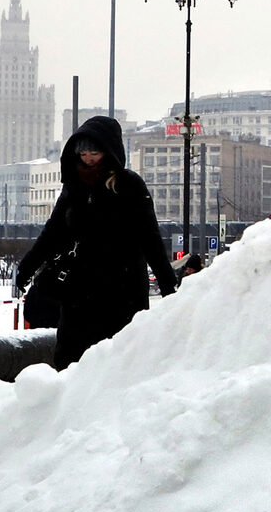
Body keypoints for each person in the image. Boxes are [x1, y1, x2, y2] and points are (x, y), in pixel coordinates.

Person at [16, 116, 176, 369]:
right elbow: (53, 232)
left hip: (122, 290)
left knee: (116, 364)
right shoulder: (74, 187)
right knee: (70, 362)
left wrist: (168, 287)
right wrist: (26, 267)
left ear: (109, 151)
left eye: (95, 152)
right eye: (83, 153)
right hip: (80, 291)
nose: (89, 159)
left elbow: (150, 238)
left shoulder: (128, 185)